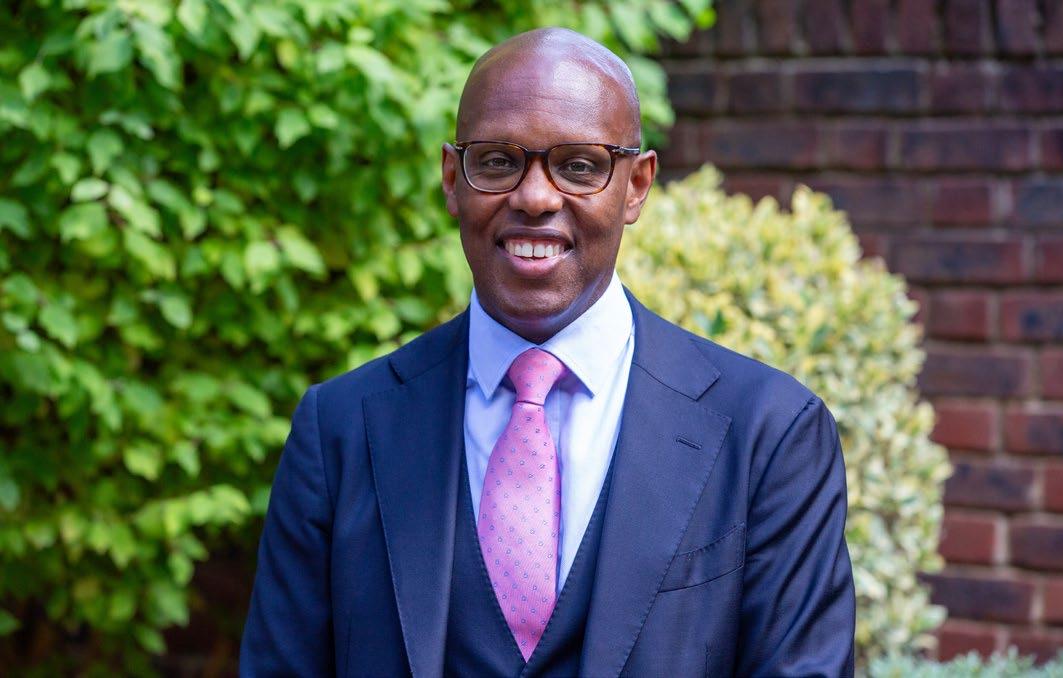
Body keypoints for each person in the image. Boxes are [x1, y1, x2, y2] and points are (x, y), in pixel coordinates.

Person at [240, 27, 855, 678]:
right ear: (452, 178)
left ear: (636, 185)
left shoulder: (769, 433)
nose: (534, 198)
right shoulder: (340, 429)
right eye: (497, 161)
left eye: (580, 165)